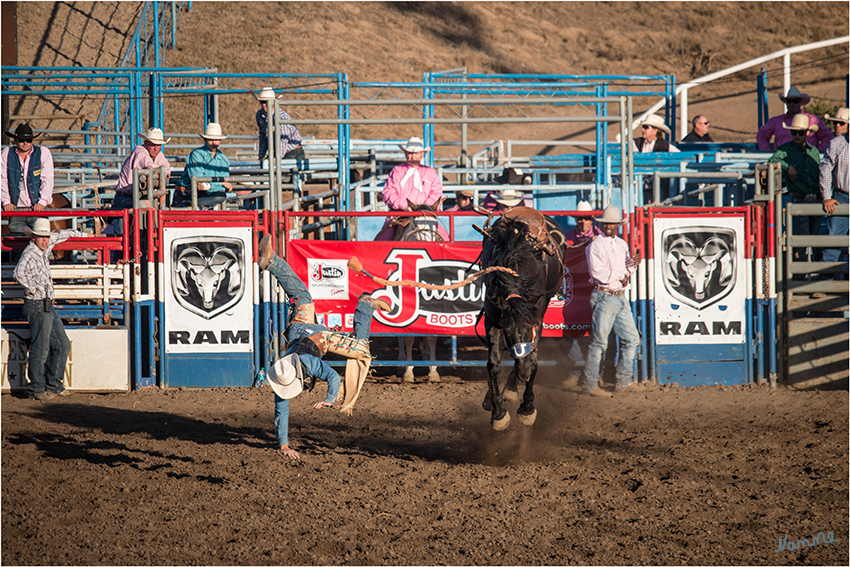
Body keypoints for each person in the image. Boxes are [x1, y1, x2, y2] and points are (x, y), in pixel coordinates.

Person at [257, 234, 390, 459]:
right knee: (302, 296)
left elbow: (334, 379)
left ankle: (365, 304)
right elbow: (281, 410)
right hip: (297, 331)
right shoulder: (281, 372)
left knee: (360, 348)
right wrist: (283, 445)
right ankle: (272, 262)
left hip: (319, 338)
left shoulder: (304, 366)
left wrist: (329, 400)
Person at [13, 218, 93, 400]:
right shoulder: (30, 254)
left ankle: (53, 385)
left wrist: (84, 234)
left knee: (61, 345)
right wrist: (32, 289)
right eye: (41, 237)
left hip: (45, 304)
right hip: (38, 303)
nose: (45, 240)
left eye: (46, 237)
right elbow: (18, 273)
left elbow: (61, 236)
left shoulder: (43, 248)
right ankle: (37, 388)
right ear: (33, 237)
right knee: (41, 349)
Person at [580, 205, 642, 397]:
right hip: (605, 295)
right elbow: (599, 273)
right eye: (606, 223)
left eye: (611, 223)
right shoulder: (595, 245)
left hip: (618, 296)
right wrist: (624, 272)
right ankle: (590, 384)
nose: (608, 226)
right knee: (600, 342)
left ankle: (623, 380)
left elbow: (625, 270)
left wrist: (633, 265)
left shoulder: (622, 244)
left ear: (616, 224)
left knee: (631, 339)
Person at [768, 114, 822, 271]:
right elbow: (772, 161)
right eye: (794, 133)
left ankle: (809, 273)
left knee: (814, 238)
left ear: (806, 133)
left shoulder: (814, 152)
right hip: (799, 199)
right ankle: (802, 274)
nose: (797, 136)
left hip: (814, 198)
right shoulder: (785, 150)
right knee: (802, 240)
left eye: (800, 132)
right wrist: (787, 167)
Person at [563, 201, 604, 381]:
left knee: (597, 332)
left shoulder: (599, 236)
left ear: (592, 219)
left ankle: (593, 372)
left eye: (586, 218)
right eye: (580, 218)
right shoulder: (568, 237)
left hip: (594, 288)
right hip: (574, 290)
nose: (583, 222)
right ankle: (577, 372)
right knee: (573, 330)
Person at [376, 136, 446, 240]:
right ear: (405, 154)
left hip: (426, 214)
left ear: (422, 155)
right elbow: (389, 192)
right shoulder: (397, 171)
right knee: (384, 239)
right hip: (400, 215)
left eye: (416, 153)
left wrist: (424, 207)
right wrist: (404, 206)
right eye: (410, 153)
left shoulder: (430, 172)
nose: (413, 156)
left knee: (444, 237)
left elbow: (436, 193)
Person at [111, 127, 171, 234]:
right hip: (125, 200)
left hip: (136, 199)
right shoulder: (140, 152)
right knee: (123, 237)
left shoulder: (157, 155)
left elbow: (167, 167)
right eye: (153, 144)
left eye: (158, 145)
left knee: (135, 236)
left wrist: (163, 172)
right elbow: (149, 165)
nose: (156, 148)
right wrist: (161, 173)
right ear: (146, 143)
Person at [1, 124, 54, 235]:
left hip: (37, 208)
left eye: (28, 140)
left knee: (42, 245)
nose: (25, 143)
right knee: (18, 247)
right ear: (15, 140)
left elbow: (47, 179)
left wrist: (42, 201)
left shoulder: (43, 153)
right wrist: (6, 201)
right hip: (16, 209)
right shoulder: (6, 153)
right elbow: (2, 179)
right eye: (22, 140)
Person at [818, 107, 849, 282]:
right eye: (836, 123)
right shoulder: (837, 143)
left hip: (841, 195)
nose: (837, 125)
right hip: (842, 195)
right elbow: (826, 169)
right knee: (833, 239)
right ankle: (825, 283)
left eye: (841, 123)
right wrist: (827, 196)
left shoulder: (837, 143)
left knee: (834, 238)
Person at [173, 123, 232, 209]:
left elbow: (206, 183)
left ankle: (196, 207)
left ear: (220, 140)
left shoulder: (223, 159)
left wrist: (209, 186)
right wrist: (221, 183)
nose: (214, 142)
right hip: (186, 194)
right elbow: (199, 180)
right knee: (220, 196)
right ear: (205, 139)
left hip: (204, 195)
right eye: (211, 139)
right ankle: (193, 207)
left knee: (220, 195)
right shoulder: (196, 155)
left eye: (217, 139)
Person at [756, 86, 833, 152]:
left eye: (795, 101)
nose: (792, 104)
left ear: (800, 102)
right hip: (783, 159)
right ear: (786, 103)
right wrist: (768, 152)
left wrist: (818, 152)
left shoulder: (814, 120)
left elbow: (827, 136)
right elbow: (761, 135)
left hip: (807, 160)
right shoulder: (775, 121)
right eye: (789, 101)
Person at [632, 114, 679, 203]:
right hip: (639, 186)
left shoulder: (665, 145)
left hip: (658, 186)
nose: (643, 130)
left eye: (646, 127)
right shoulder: (635, 143)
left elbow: (680, 156)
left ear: (655, 131)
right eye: (643, 127)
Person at [255, 87, 305, 162]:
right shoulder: (260, 115)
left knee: (276, 170)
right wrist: (261, 156)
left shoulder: (281, 117)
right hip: (279, 151)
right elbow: (263, 137)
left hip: (293, 152)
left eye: (267, 102)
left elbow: (282, 142)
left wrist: (275, 161)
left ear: (273, 102)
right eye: (263, 102)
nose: (265, 105)